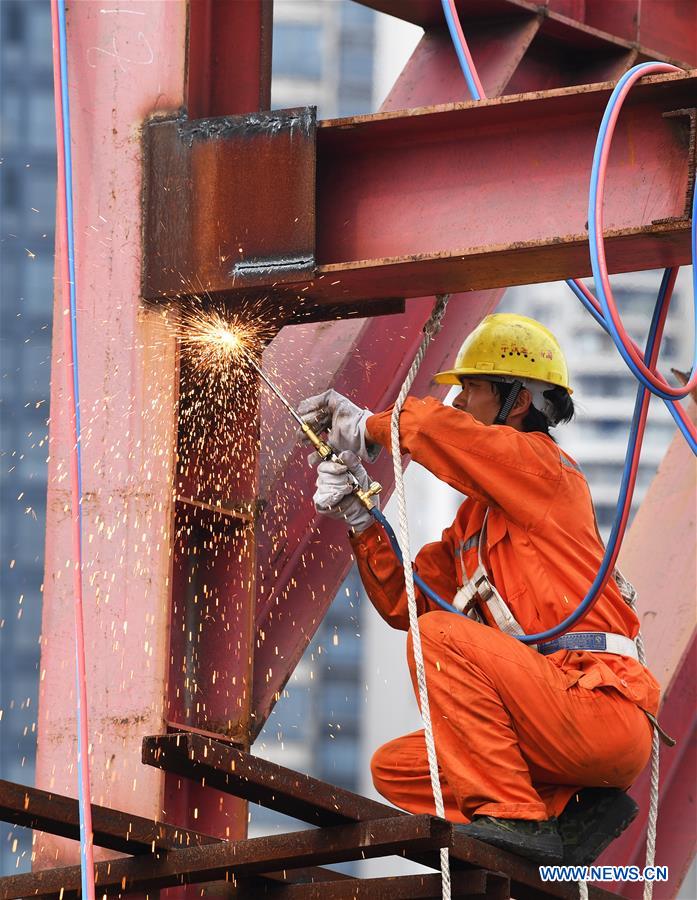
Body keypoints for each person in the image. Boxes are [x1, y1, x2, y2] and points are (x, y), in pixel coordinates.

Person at [298, 313, 662, 865]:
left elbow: (438, 431)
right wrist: (360, 519)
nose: (458, 401)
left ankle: (514, 815)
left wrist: (369, 426)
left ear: (518, 402)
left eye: (471, 388)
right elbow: (406, 603)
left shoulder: (547, 470)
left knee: (438, 637)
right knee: (397, 767)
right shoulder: (474, 524)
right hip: (549, 712)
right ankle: (565, 811)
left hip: (598, 703)